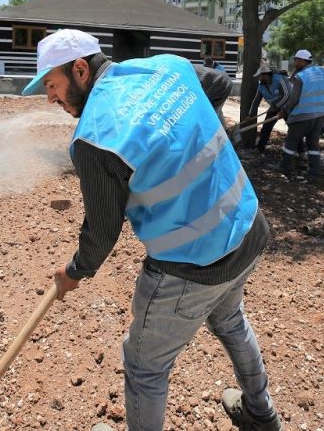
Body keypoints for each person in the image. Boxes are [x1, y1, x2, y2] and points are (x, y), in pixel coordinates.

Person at [23, 29, 282, 431]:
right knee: (230, 319)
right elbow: (219, 82)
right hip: (248, 227)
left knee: (145, 368)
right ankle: (262, 415)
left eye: (53, 85)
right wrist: (191, 133)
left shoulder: (93, 138)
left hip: (191, 266)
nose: (51, 97)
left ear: (79, 70)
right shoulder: (167, 67)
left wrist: (73, 272)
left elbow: (103, 232)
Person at [280, 49, 324, 183]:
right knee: (313, 145)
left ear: (303, 61)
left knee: (290, 143)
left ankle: (285, 170)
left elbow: (294, 99)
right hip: (319, 116)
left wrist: (285, 111)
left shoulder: (301, 76)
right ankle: (314, 173)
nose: (294, 62)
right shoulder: (323, 72)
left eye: (296, 60)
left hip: (302, 116)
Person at [246, 62, 291, 152]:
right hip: (274, 108)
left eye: (259, 76)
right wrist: (250, 115)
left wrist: (278, 106)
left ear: (265, 75)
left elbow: (287, 95)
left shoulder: (279, 79)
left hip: (287, 107)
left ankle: (301, 151)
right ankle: (260, 148)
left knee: (293, 128)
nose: (258, 78)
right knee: (266, 127)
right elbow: (256, 101)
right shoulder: (261, 86)